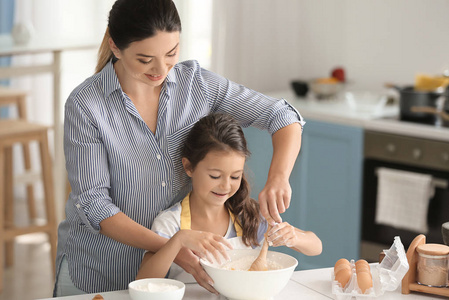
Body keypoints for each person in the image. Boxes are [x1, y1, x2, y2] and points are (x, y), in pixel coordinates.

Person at [54, 0, 304, 296]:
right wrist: (172, 245)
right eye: (145, 59)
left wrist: (278, 177)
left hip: (172, 283)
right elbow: (95, 205)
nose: (161, 69)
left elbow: (282, 116)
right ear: (115, 46)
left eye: (171, 53)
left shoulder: (196, 84)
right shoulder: (86, 105)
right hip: (101, 270)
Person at [135, 113, 322, 283]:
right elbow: (143, 281)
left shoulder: (247, 215)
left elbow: (316, 246)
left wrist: (293, 237)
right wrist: (178, 241)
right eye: (215, 176)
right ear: (189, 167)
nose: (226, 186)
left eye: (235, 177)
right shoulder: (170, 224)